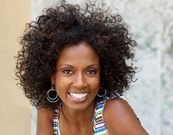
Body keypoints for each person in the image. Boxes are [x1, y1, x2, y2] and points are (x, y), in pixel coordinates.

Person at [16, 1, 148, 135]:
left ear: (102, 74)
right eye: (68, 71)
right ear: (51, 75)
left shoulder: (113, 111)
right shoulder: (49, 111)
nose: (80, 83)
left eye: (91, 71)